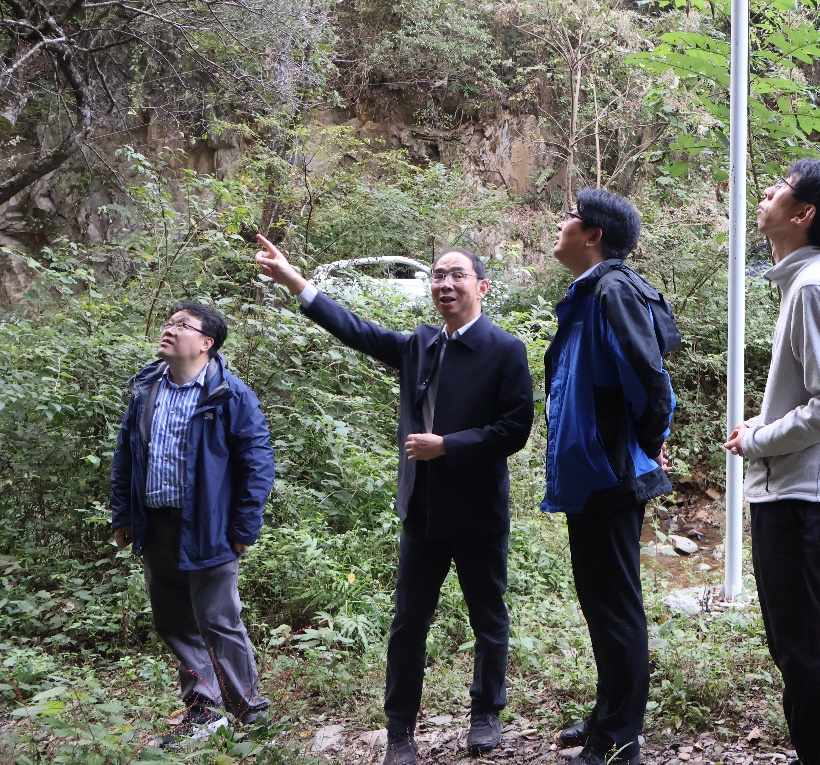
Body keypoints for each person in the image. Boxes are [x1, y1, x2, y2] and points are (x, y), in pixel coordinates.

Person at [253, 237, 534, 765]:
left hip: (478, 512)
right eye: (438, 275)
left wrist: (447, 446)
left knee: (488, 616)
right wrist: (293, 280)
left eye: (456, 275)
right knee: (408, 623)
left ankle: (486, 713)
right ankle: (400, 731)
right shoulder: (420, 344)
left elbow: (514, 429)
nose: (445, 284)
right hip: (422, 512)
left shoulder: (505, 350)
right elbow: (356, 330)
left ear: (481, 287)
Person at [723, 158, 820, 765]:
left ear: (803, 214)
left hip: (797, 489)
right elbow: (817, 397)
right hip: (798, 484)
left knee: (798, 644)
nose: (766, 193)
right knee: (795, 639)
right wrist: (761, 427)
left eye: (779, 188)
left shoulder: (813, 287)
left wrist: (758, 440)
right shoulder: (810, 281)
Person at [543, 189, 679, 765]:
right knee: (602, 607)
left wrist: (643, 445)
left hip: (609, 475)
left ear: (594, 235)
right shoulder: (590, 292)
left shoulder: (612, 289)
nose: (562, 222)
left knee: (616, 609)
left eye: (571, 216)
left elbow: (651, 381)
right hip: (589, 476)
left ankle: (620, 741)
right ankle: (608, 716)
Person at [110, 302, 274, 747]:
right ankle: (203, 710)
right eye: (168, 322)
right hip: (155, 525)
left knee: (218, 621)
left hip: (209, 526)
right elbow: (126, 456)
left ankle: (250, 714)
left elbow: (257, 463)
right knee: (174, 621)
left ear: (206, 343)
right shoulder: (146, 390)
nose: (169, 329)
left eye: (182, 325)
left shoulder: (229, 394)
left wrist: (244, 528)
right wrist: (123, 515)